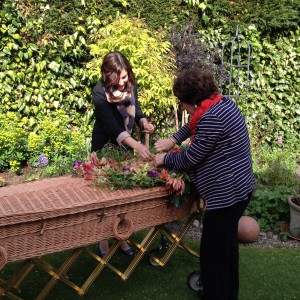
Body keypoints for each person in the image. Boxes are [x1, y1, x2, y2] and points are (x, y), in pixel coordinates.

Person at [154, 68, 254, 300]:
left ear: (192, 100)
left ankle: (215, 294)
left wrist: (164, 159)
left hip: (227, 193)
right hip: (240, 187)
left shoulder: (211, 117)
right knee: (226, 247)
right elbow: (193, 125)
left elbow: (191, 158)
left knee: (213, 252)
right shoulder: (220, 103)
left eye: (182, 102)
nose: (182, 107)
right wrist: (173, 139)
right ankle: (228, 292)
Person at [91, 51, 155, 257]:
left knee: (122, 196)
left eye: (125, 78)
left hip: (125, 146)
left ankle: (121, 237)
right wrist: (137, 146)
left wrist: (143, 121)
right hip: (105, 147)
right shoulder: (99, 92)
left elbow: (138, 110)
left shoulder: (130, 85)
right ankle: (102, 242)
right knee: (104, 197)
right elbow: (111, 126)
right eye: (117, 80)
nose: (121, 84)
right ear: (106, 76)